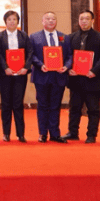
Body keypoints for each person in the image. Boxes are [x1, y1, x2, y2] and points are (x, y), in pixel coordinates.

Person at [64, 10, 100, 143]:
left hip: (93, 79)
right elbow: (67, 56)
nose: (84, 21)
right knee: (74, 108)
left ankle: (91, 135)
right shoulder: (71, 37)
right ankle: (72, 132)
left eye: (87, 19)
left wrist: (94, 70)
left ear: (92, 21)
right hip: (76, 79)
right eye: (81, 19)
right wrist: (69, 69)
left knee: (93, 109)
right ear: (78, 21)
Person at [29, 11, 71, 143]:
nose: (51, 21)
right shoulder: (34, 37)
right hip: (42, 76)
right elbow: (31, 55)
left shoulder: (64, 37)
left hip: (59, 76)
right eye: (47, 19)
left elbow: (70, 56)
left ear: (56, 21)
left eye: (53, 19)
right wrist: (40, 65)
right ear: (43, 21)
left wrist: (66, 66)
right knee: (42, 105)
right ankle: (42, 133)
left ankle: (55, 134)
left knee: (55, 105)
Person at [0, 10, 33, 143]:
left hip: (20, 75)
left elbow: (30, 52)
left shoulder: (24, 35)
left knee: (18, 104)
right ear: (5, 21)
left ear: (18, 21)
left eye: (14, 19)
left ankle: (20, 134)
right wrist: (5, 68)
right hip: (5, 75)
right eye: (9, 19)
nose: (12, 22)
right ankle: (6, 133)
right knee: (6, 104)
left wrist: (26, 67)